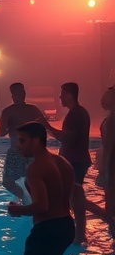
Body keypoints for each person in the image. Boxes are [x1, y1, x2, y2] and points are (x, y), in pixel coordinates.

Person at [8, 122, 98, 255]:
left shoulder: (36, 168)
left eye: (22, 141)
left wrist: (18, 210)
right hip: (65, 224)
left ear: (36, 141)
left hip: (47, 229)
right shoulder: (62, 162)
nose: (18, 145)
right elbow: (74, 193)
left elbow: (42, 206)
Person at [43, 82, 91, 244]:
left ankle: (83, 233)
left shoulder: (76, 114)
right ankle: (78, 233)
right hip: (75, 160)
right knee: (73, 197)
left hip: (75, 161)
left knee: (76, 198)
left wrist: (47, 127)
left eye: (62, 94)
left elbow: (68, 139)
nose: (60, 97)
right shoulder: (76, 113)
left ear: (70, 94)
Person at [0, 83, 45, 201]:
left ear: (13, 96)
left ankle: (26, 199)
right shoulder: (33, 110)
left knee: (9, 182)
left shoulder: (8, 111)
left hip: (19, 151)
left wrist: (12, 126)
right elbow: (44, 128)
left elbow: (1, 132)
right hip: (29, 152)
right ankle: (28, 199)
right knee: (32, 181)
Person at [86, 86, 115, 233]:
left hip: (111, 168)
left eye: (106, 98)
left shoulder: (111, 122)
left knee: (110, 205)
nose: (101, 101)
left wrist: (104, 172)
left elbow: (109, 148)